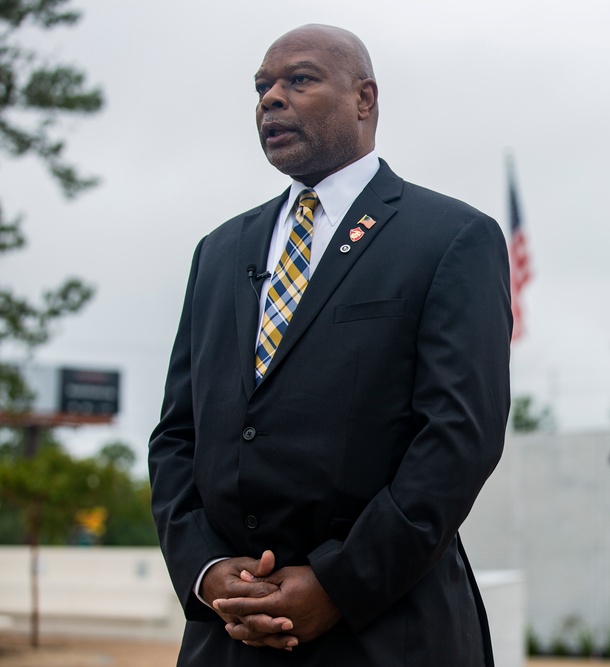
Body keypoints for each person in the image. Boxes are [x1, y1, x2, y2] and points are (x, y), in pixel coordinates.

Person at [148, 24, 512, 666]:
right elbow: (178, 434)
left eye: (300, 79)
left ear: (364, 98)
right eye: (262, 87)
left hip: (384, 630)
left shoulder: (451, 238)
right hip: (228, 637)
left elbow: (459, 437)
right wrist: (206, 571)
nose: (271, 99)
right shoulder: (219, 251)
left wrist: (339, 583)